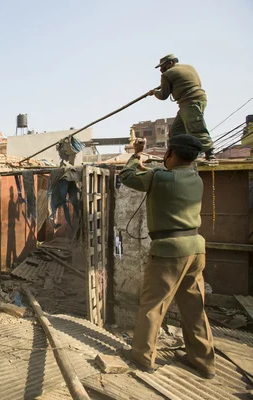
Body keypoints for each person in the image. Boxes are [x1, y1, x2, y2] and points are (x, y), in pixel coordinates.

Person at [119, 135, 215, 379]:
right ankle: (202, 361)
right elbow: (170, 176)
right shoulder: (195, 178)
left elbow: (127, 176)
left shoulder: (158, 177)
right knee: (195, 307)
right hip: (195, 248)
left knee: (153, 304)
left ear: (169, 153)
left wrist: (136, 154)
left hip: (169, 250)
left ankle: (142, 356)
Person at [149, 54, 215, 162]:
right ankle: (181, 156)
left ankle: (210, 155)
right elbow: (195, 83)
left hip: (190, 102)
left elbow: (163, 95)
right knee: (175, 131)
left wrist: (154, 92)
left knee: (196, 128)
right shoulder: (189, 67)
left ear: (170, 63)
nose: (161, 70)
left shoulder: (167, 74)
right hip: (198, 99)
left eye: (163, 67)